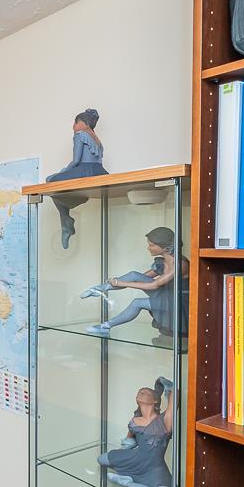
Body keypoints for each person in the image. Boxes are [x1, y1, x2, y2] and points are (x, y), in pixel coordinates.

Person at [81, 226, 189, 340]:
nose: (148, 248)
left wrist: (121, 283)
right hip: (168, 294)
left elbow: (155, 285)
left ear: (165, 248)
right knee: (134, 275)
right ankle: (98, 289)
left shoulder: (180, 264)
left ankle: (105, 326)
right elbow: (137, 278)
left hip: (180, 301)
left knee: (137, 303)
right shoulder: (163, 262)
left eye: (152, 245)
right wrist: (118, 283)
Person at [98, 377, 175, 487]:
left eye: (147, 392)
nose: (142, 391)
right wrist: (121, 454)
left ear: (155, 400)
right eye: (140, 391)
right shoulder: (134, 421)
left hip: (154, 468)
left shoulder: (164, 420)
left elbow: (175, 397)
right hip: (135, 458)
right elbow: (129, 442)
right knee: (101, 459)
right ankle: (127, 472)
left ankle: (126, 482)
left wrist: (166, 386)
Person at [45, 109, 106, 249]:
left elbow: (76, 160)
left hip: (85, 170)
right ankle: (67, 220)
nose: (73, 126)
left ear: (81, 123)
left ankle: (66, 221)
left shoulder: (80, 135)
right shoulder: (96, 139)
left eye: (74, 123)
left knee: (50, 180)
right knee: (59, 183)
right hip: (99, 171)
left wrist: (63, 171)